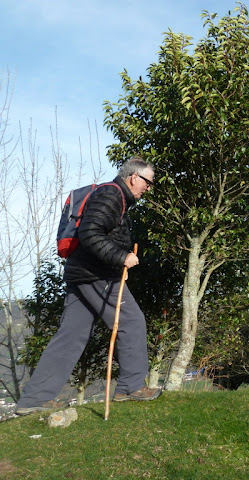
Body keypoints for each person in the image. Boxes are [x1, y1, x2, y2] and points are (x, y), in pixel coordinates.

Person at [15, 156, 161, 415]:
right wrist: (121, 257)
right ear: (134, 177)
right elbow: (91, 233)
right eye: (148, 182)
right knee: (132, 321)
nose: (149, 188)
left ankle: (34, 398)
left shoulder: (115, 197)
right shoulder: (111, 196)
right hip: (97, 274)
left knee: (71, 335)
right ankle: (130, 387)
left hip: (81, 274)